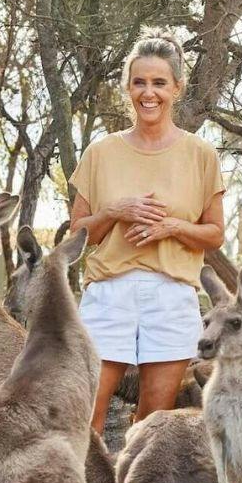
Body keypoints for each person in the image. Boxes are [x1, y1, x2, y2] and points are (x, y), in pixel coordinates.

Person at [69, 33, 226, 433]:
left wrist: (170, 227)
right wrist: (115, 210)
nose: (148, 93)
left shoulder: (201, 154)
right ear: (128, 88)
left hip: (171, 295)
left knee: (152, 423)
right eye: (139, 82)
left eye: (159, 83)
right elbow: (77, 234)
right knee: (87, 415)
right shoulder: (100, 152)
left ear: (177, 88)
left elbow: (214, 235)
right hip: (108, 293)